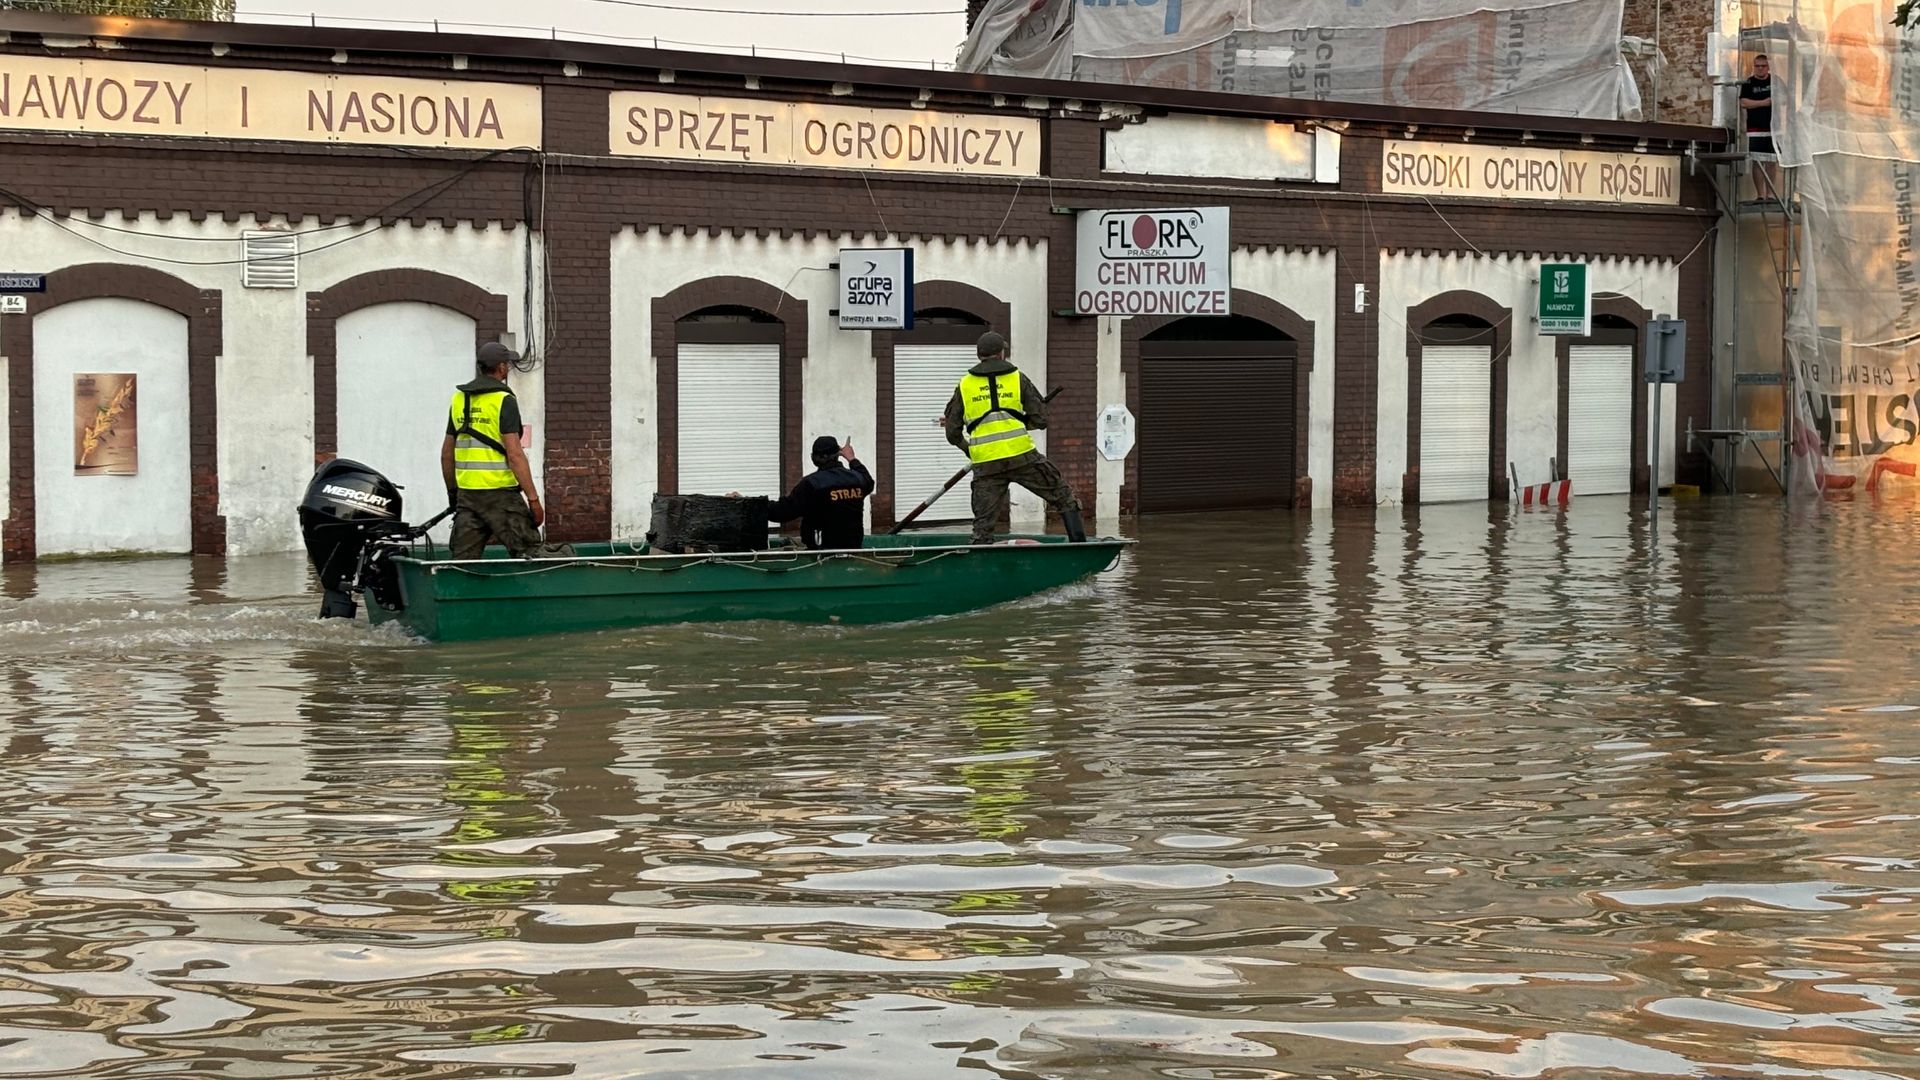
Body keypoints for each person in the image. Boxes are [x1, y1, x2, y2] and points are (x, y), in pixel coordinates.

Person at [942, 330, 1086, 545]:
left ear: (978, 355)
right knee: (1064, 497)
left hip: (986, 464)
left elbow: (952, 433)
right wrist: (1020, 422)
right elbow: (1041, 420)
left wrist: (969, 449)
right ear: (1001, 354)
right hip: (1022, 457)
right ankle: (1080, 548)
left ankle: (980, 563)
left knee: (983, 526)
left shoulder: (964, 385)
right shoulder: (1017, 378)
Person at [440, 341, 547, 559]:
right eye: (507, 364)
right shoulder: (503, 400)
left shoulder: (459, 399)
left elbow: (446, 455)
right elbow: (515, 455)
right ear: (500, 367)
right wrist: (533, 500)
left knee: (462, 563)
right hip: (501, 496)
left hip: (468, 496)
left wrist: (454, 495)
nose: (508, 368)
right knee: (532, 555)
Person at [736, 436, 875, 550]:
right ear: (837, 455)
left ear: (815, 458)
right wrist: (852, 459)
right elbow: (868, 480)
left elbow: (781, 512)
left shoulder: (812, 484)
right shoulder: (858, 479)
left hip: (821, 554)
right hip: (853, 549)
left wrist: (747, 503)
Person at [1740, 54, 1779, 203]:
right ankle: (1760, 194)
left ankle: (1769, 194)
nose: (1760, 68)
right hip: (1755, 127)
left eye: (1763, 66)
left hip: (1773, 127)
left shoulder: (1775, 81)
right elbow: (1744, 102)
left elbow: (1783, 100)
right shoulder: (1749, 83)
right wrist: (1764, 102)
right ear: (1753, 67)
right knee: (1757, 161)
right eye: (1757, 66)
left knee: (1771, 161)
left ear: (1768, 67)